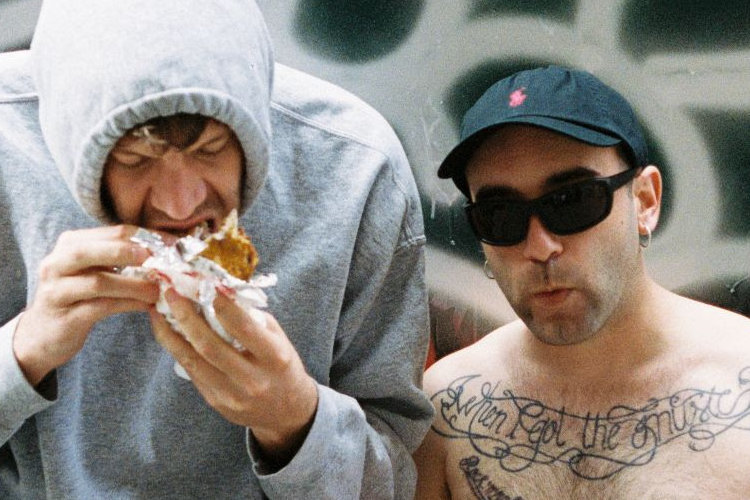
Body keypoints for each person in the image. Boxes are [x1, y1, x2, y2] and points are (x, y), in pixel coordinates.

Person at [0, 0, 433, 498]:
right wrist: (21, 355)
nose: (180, 204)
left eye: (210, 149)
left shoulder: (356, 168)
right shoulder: (8, 141)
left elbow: (395, 480)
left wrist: (295, 420)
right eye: (135, 160)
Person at [414, 65, 750, 498]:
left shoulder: (739, 379)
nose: (540, 246)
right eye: (500, 216)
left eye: (572, 201)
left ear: (645, 200)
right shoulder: (447, 408)